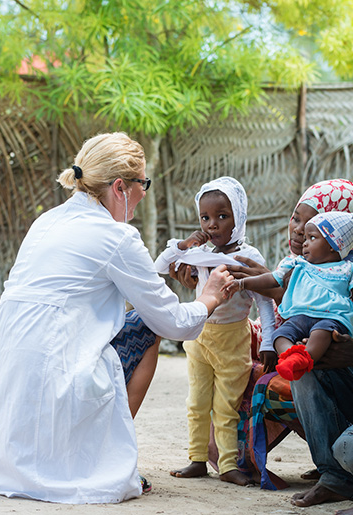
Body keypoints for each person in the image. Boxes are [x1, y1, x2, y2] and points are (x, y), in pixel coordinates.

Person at [0, 132, 232, 505]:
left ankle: (72, 449)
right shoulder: (116, 237)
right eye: (142, 183)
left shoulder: (47, 221)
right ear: (120, 187)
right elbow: (172, 322)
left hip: (5, 394)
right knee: (146, 326)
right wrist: (209, 298)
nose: (144, 193)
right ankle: (102, 458)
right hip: (52, 374)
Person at [170, 178, 353, 502]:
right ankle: (331, 470)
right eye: (296, 219)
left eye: (313, 225)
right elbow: (281, 314)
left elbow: (305, 311)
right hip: (302, 358)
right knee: (290, 365)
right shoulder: (299, 267)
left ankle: (338, 466)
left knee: (345, 443)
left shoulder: (348, 273)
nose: (298, 231)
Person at [155, 177, 275, 486]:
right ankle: (197, 459)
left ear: (239, 216)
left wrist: (269, 342)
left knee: (226, 406)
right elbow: (159, 266)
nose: (212, 224)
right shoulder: (199, 253)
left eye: (222, 216)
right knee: (196, 403)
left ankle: (227, 465)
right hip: (199, 337)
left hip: (233, 341)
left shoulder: (248, 258)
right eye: (205, 217)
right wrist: (183, 246)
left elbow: (264, 302)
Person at [223, 210, 353, 381]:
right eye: (306, 238)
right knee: (280, 335)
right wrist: (243, 283)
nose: (305, 243)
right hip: (299, 317)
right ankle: (291, 358)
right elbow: (272, 279)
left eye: (312, 238)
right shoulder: (297, 263)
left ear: (333, 245)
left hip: (330, 317)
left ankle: (305, 359)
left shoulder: (348, 268)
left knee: (321, 334)